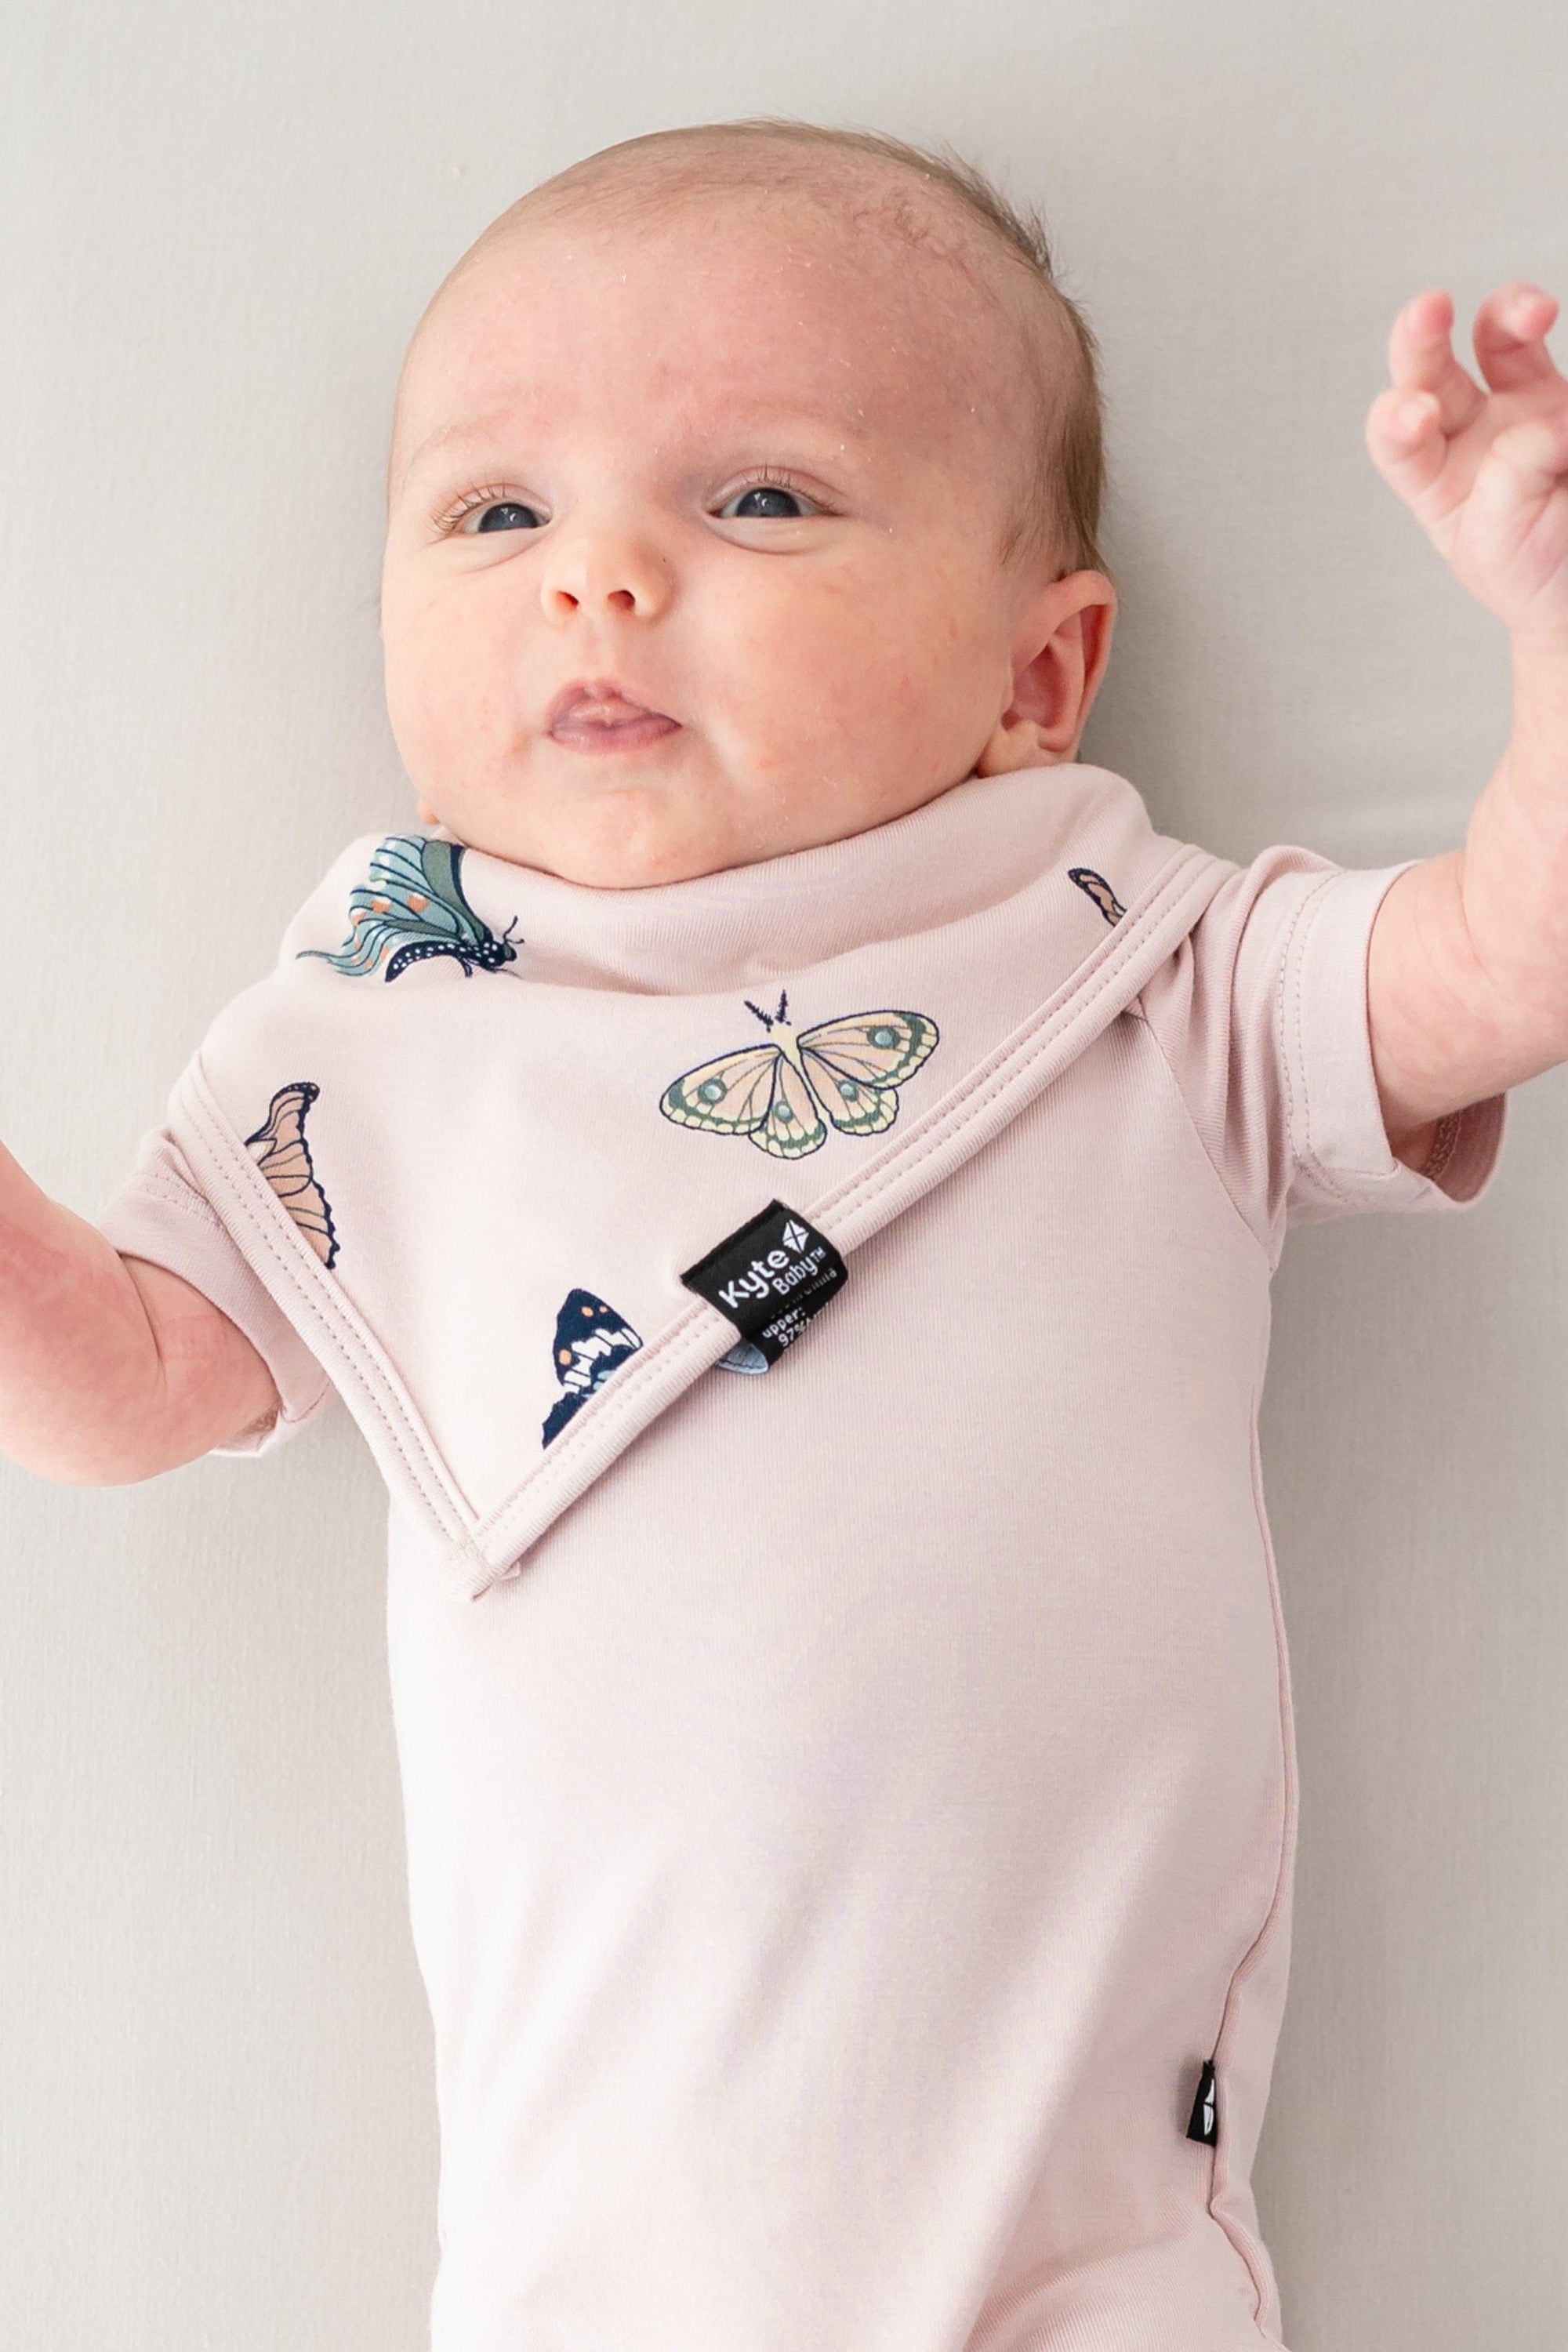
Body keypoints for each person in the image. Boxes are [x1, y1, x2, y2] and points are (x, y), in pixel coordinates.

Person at [4, 118, 1565, 2350]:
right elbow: (124, 1386)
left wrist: (1547, 631)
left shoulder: (1152, 971)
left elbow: (1512, 957)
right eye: (495, 513)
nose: (601, 575)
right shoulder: (387, 1036)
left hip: (1084, 2267)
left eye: (760, 499)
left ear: (1041, 674)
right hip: (589, 2283)